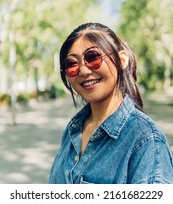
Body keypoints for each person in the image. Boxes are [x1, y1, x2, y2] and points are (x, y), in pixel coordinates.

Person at [49, 22, 173, 184]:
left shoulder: (147, 140)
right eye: (72, 65)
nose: (84, 71)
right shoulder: (73, 130)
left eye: (93, 57)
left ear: (121, 60)